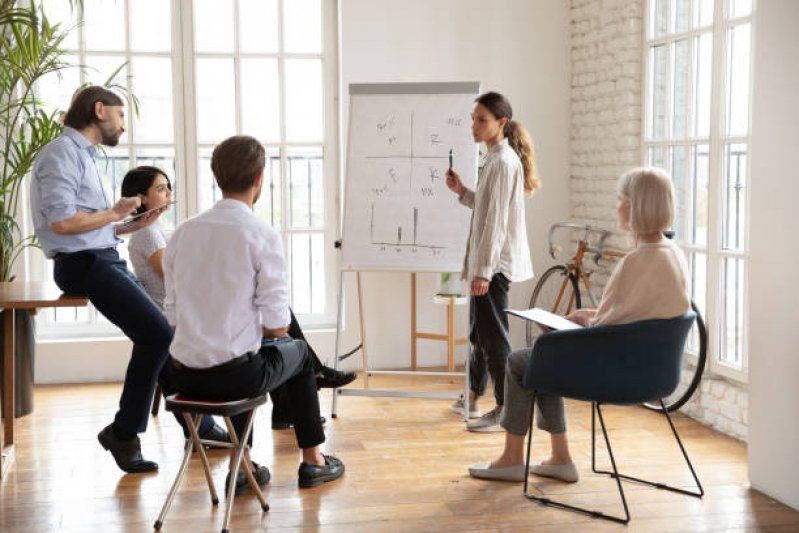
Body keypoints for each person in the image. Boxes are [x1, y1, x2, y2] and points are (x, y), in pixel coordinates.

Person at [29, 86, 224, 474]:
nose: (122, 126)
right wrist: (114, 212)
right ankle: (124, 432)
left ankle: (198, 425)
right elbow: (62, 223)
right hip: (83, 264)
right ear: (99, 110)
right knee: (157, 334)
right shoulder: (61, 154)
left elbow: (88, 226)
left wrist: (127, 225)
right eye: (120, 116)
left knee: (158, 333)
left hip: (100, 256)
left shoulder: (82, 156)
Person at [468, 167, 690, 482]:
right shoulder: (671, 254)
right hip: (653, 370)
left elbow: (607, 328)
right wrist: (587, 316)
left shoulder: (636, 262)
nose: (617, 207)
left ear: (635, 206)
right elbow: (631, 314)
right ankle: (559, 457)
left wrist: (565, 328)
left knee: (523, 361)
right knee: (546, 357)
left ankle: (512, 459)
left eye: (621, 200)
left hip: (620, 372)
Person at [164, 135, 345, 493]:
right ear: (259, 179)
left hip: (182, 378)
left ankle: (244, 466)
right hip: (234, 379)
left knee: (247, 354)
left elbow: (172, 316)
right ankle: (313, 460)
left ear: (217, 177)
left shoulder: (183, 232)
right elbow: (278, 326)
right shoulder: (260, 233)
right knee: (298, 353)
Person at [120, 166, 356, 430]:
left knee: (268, 316)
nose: (168, 194)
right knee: (271, 327)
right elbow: (177, 277)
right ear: (140, 198)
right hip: (191, 317)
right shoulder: (148, 233)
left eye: (168, 187)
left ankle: (297, 394)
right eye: (160, 189)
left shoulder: (167, 232)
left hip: (189, 321)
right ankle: (306, 389)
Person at [445, 91, 539, 432]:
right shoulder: (495, 159)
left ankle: (504, 408)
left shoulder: (502, 162)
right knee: (480, 331)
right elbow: (487, 208)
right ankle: (472, 393)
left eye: (481, 119)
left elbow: (496, 223)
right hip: (490, 264)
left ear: (501, 123)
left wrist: (483, 271)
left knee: (494, 336)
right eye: (473, 118)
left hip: (494, 266)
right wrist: (463, 193)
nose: (474, 125)